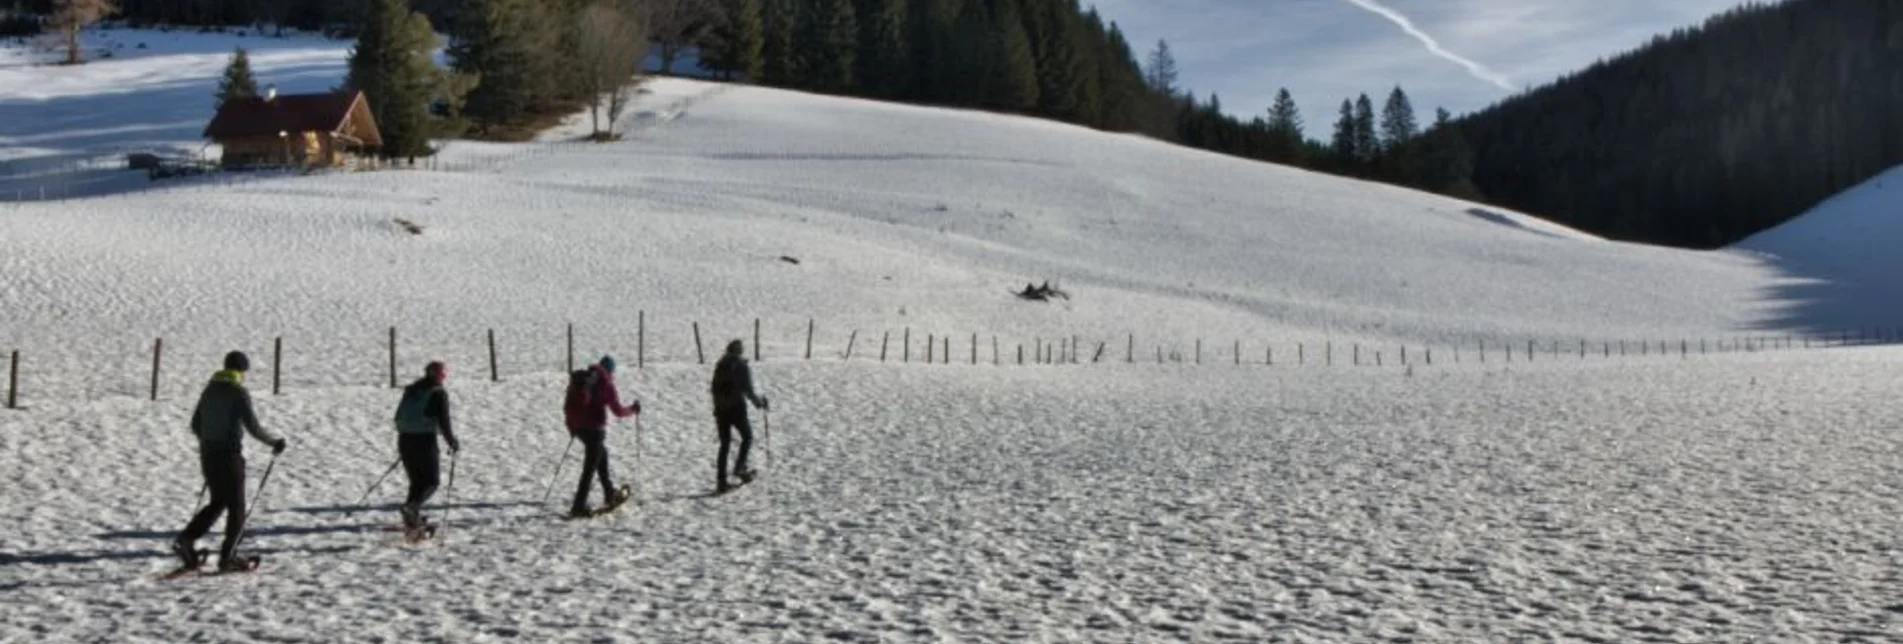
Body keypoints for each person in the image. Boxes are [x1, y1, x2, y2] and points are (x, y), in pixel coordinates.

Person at [172, 351, 286, 572]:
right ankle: (228, 556)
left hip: (208, 454)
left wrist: (210, 440)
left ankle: (186, 539)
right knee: (237, 507)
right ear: (241, 371)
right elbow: (253, 426)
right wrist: (274, 443)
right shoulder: (238, 393)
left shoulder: (210, 389)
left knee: (218, 501)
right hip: (229, 456)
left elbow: (196, 424)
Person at [563, 355, 639, 517]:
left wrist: (572, 428)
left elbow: (568, 405)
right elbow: (618, 411)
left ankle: (609, 491)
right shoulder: (606, 384)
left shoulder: (581, 379)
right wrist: (633, 409)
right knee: (589, 468)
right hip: (594, 430)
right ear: (611, 371)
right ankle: (578, 506)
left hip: (579, 429)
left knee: (601, 455)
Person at [393, 361, 460, 532]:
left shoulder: (412, 390)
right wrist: (452, 441)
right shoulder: (438, 393)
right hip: (424, 440)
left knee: (416, 482)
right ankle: (412, 509)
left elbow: (398, 415)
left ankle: (412, 521)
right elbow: (444, 421)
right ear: (441, 375)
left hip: (405, 439)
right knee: (431, 482)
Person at [710, 340, 768, 493]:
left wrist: (717, 407)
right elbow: (747, 389)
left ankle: (721, 481)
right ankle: (740, 468)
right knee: (747, 437)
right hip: (736, 409)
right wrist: (759, 403)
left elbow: (713, 388)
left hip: (720, 410)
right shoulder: (741, 366)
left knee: (725, 444)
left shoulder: (720, 365)